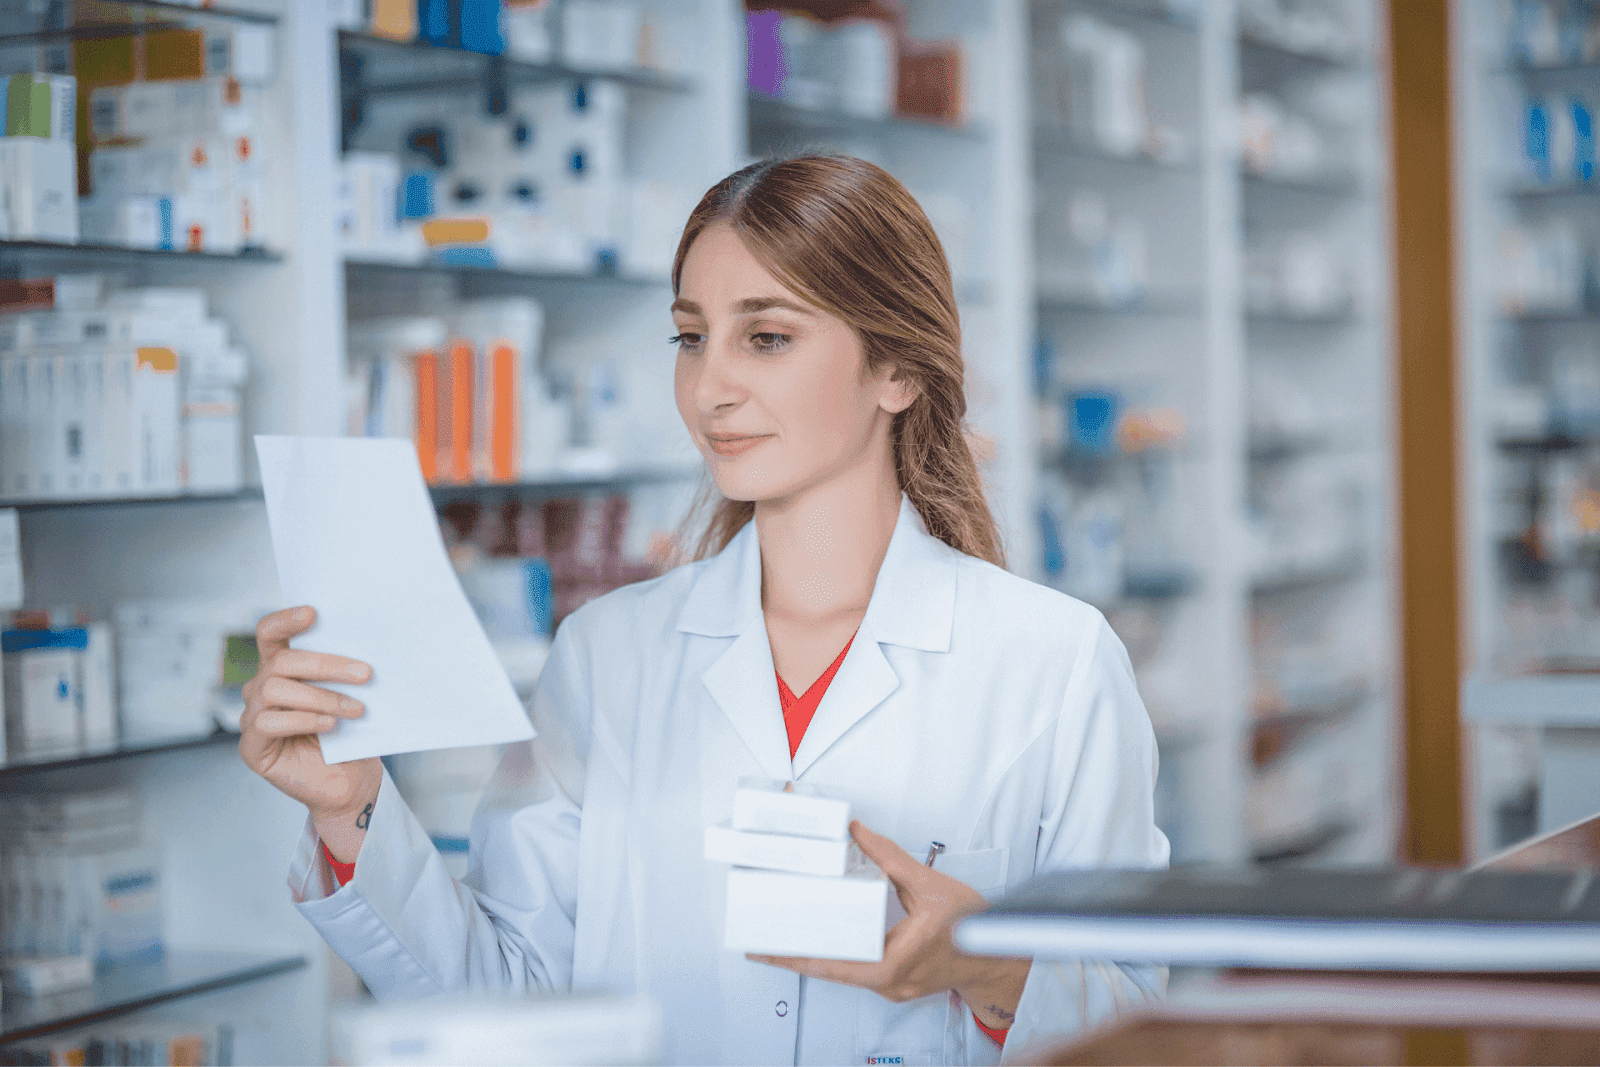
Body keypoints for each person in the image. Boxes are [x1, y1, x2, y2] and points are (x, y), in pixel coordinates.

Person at [240, 154, 1169, 1066]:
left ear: (897, 370)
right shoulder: (607, 653)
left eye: (765, 337)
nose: (710, 387)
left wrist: (992, 965)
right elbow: (515, 1005)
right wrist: (353, 809)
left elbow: (1135, 1029)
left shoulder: (1054, 661)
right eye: (691, 336)